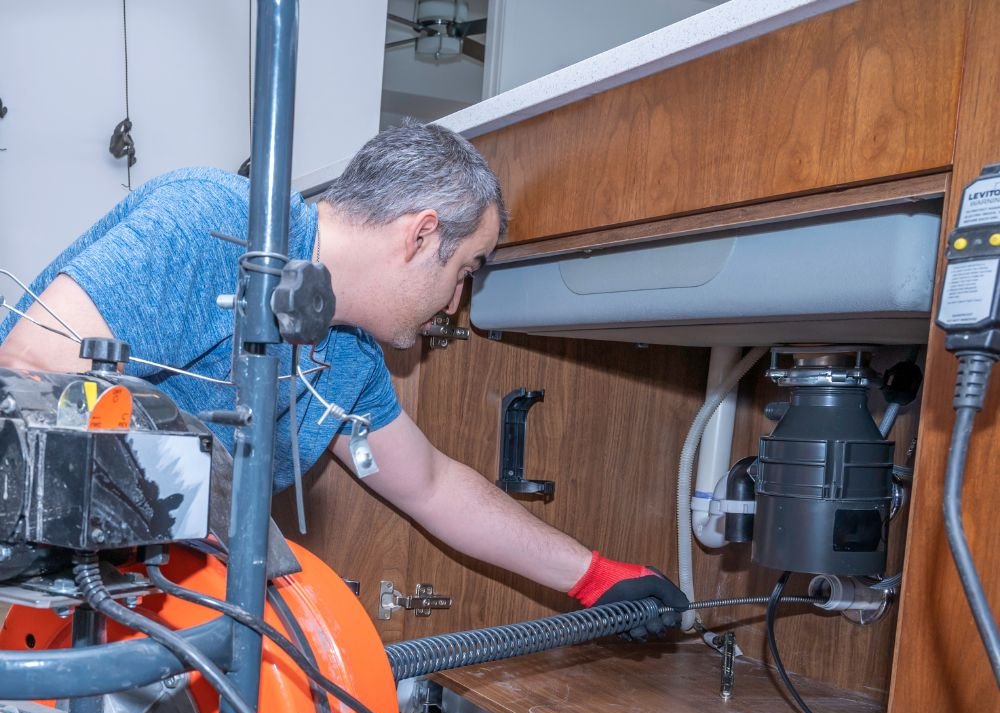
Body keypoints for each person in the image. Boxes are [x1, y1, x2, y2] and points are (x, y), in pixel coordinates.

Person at [0, 121, 686, 636]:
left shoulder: (349, 356)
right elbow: (31, 369)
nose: (455, 303)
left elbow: (433, 485)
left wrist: (595, 577)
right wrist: (219, 511)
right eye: (464, 272)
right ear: (420, 237)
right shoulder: (214, 225)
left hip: (139, 606)